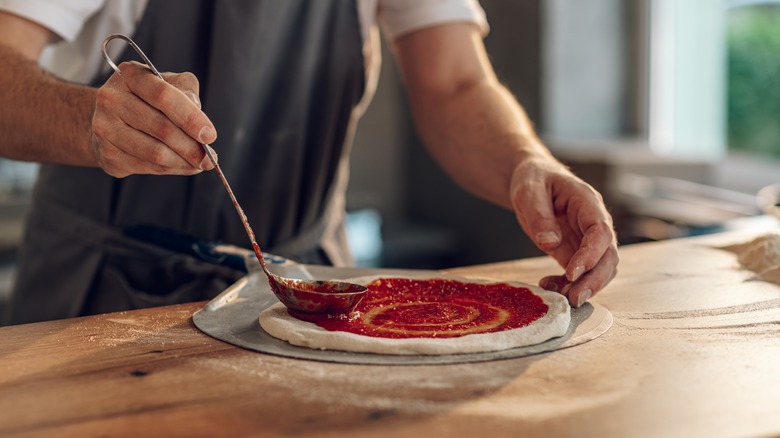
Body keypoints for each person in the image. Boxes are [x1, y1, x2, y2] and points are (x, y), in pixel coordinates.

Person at [0, 0, 618, 324]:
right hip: (100, 304)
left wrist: (525, 162)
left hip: (307, 294)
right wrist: (88, 120)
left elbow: (455, 82)